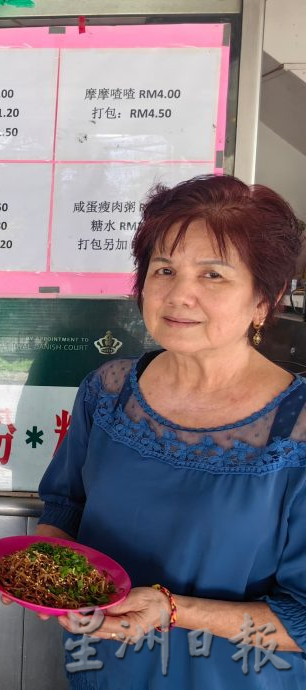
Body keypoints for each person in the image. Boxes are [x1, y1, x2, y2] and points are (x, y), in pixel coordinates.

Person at [34, 175, 306, 689]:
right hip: (105, 669)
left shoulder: (296, 430)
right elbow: (64, 508)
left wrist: (172, 610)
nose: (179, 294)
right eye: (164, 269)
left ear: (262, 301)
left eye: (213, 275)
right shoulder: (109, 392)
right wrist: (45, 578)